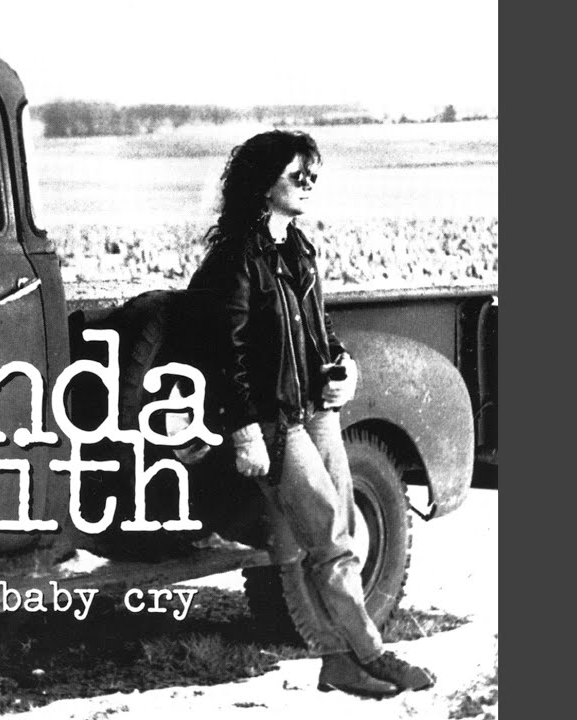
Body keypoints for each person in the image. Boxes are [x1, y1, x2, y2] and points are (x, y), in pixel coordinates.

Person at [187, 130, 435, 698]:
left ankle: (338, 661)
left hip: (315, 410)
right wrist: (244, 430)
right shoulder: (236, 258)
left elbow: (319, 331)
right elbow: (224, 353)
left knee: (332, 531)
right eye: (297, 175)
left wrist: (343, 365)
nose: (309, 184)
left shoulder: (298, 250)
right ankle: (372, 654)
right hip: (274, 421)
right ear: (263, 183)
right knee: (328, 537)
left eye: (313, 175)